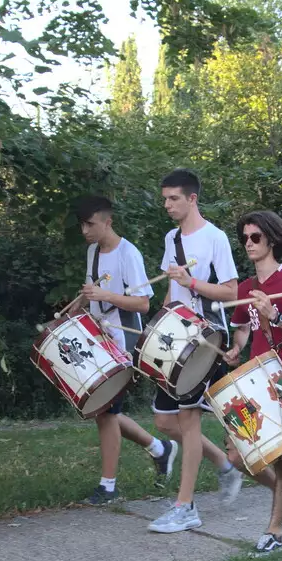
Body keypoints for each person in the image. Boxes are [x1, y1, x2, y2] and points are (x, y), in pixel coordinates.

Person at [147, 169, 245, 533]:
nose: (167, 205)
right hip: (175, 337)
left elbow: (233, 291)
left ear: (192, 199)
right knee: (163, 421)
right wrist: (158, 324)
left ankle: (185, 507)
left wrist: (194, 283)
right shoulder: (171, 238)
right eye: (165, 199)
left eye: (173, 198)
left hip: (203, 340)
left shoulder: (214, 238)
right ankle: (224, 465)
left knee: (188, 421)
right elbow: (173, 293)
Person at [221, 210, 282, 555]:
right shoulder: (246, 288)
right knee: (235, 455)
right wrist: (235, 349)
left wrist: (275, 315)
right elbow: (242, 328)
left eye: (255, 237)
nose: (248, 243)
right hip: (254, 380)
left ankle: (273, 531)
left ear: (272, 240)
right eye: (244, 237)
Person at [72, 195, 175, 504]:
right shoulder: (92, 252)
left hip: (124, 340)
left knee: (105, 411)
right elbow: (91, 293)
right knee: (104, 410)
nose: (85, 231)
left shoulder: (128, 254)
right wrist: (74, 309)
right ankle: (161, 449)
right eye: (82, 225)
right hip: (98, 338)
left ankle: (108, 486)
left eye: (90, 224)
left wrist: (106, 294)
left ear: (108, 221)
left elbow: (143, 303)